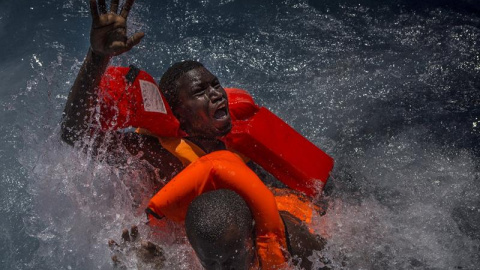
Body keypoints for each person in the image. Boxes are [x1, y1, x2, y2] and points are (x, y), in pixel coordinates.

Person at [61, 0, 327, 269]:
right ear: (179, 114)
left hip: (244, 225)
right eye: (200, 92)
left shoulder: (237, 129)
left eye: (215, 85)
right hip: (205, 244)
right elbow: (75, 133)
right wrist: (97, 58)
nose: (215, 94)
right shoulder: (155, 153)